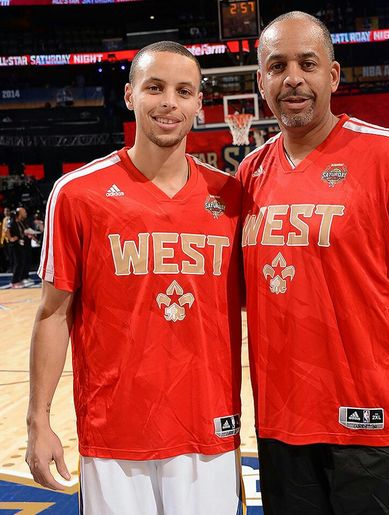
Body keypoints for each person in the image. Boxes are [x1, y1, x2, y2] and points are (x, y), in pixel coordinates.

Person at [237, 11, 389, 514]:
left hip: (374, 429)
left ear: (333, 76)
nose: (292, 78)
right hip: (281, 429)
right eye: (277, 66)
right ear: (261, 81)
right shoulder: (250, 173)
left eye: (307, 63)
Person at [26, 41, 243, 515]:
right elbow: (53, 313)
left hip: (209, 431)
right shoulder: (78, 194)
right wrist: (38, 422)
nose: (170, 102)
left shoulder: (231, 198)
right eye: (155, 88)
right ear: (130, 96)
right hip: (114, 435)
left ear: (199, 105)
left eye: (184, 91)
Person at [6, 206, 34, 288]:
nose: (25, 213)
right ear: (19, 213)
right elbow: (6, 230)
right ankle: (14, 282)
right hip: (15, 245)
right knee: (18, 263)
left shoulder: (20, 221)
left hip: (20, 245)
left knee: (21, 262)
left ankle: (19, 279)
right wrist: (11, 238)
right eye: (23, 212)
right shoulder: (12, 221)